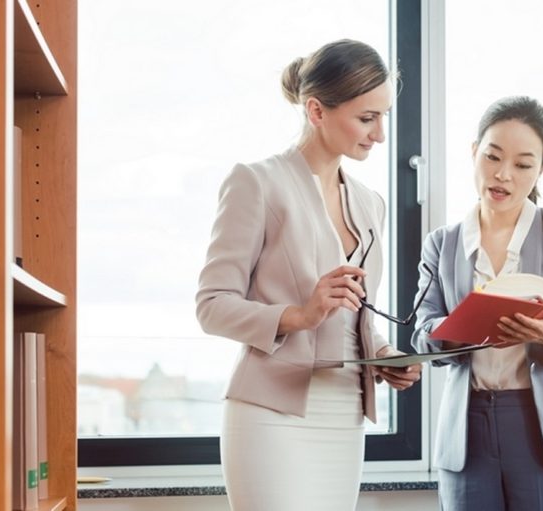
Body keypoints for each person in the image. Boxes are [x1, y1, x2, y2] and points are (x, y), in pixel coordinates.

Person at [196, 39, 421, 511]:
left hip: (344, 414)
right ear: (316, 111)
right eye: (366, 118)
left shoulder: (369, 202)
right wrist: (299, 315)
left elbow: (353, 313)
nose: (380, 135)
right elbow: (212, 306)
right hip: (269, 412)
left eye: (384, 117)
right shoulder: (256, 182)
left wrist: (382, 354)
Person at [411, 96, 543, 510]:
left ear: (541, 170)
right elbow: (421, 333)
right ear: (474, 152)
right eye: (492, 157)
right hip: (467, 427)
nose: (503, 175)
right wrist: (462, 327)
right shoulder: (442, 243)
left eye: (523, 165)